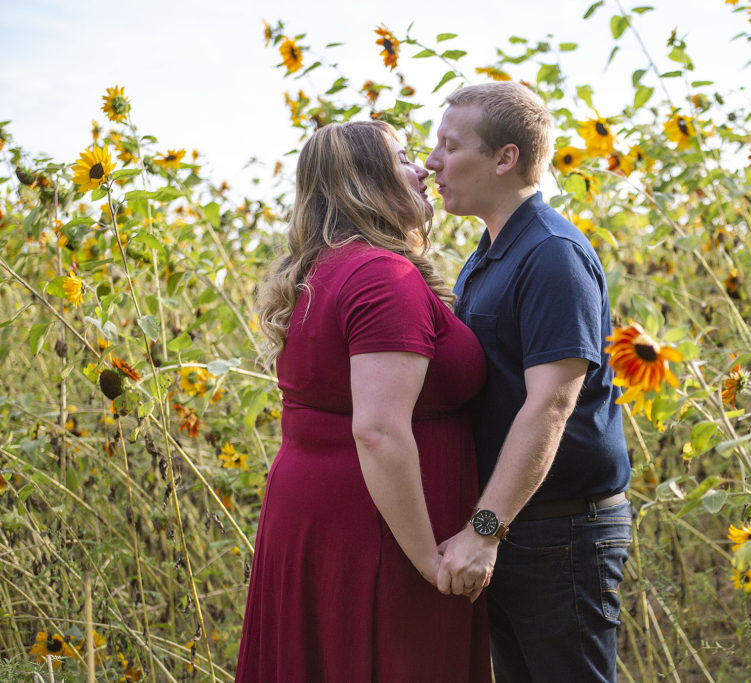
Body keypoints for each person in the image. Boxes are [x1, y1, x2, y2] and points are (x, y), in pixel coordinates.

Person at [235, 121, 491, 682]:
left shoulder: (325, 267)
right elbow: (378, 430)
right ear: (364, 180)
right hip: (378, 533)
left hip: (328, 517)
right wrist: (428, 558)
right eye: (403, 157)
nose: (422, 168)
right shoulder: (381, 276)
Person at [425, 83, 633, 682]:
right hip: (515, 528)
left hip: (560, 533)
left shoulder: (551, 254)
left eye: (450, 145)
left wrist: (484, 530)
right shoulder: (490, 253)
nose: (433, 161)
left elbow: (550, 406)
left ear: (504, 158)